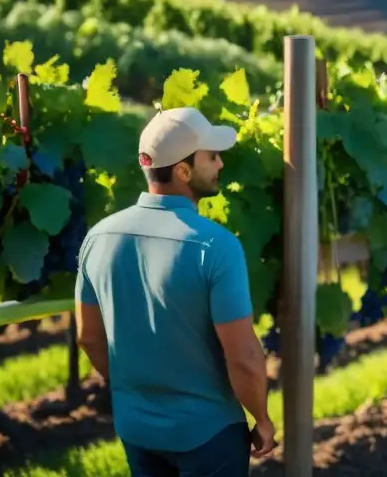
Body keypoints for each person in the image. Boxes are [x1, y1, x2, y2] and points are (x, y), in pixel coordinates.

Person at [75, 106, 277, 476]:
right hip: (210, 434)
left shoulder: (97, 238)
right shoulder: (214, 246)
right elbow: (244, 356)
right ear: (182, 171)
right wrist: (261, 417)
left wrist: (136, 394)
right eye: (211, 157)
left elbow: (89, 339)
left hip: (137, 430)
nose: (220, 165)